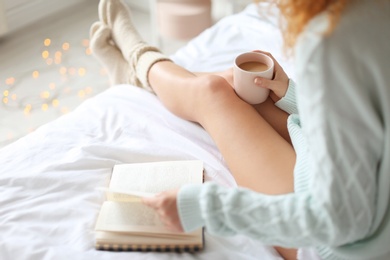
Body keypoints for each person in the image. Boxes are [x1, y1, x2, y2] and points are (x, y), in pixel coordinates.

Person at [89, 0, 390, 259]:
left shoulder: (333, 37)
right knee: (240, 83)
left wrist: (206, 207)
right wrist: (293, 95)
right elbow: (370, 116)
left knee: (213, 91)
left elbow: (339, 220)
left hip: (340, 244)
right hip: (357, 189)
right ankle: (141, 74)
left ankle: (139, 61)